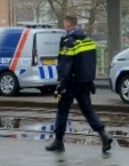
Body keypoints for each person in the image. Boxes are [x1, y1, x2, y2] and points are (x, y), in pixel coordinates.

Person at [46, 14, 113, 154]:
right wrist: (90, 80)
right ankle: (104, 134)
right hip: (85, 82)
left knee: (62, 110)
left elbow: (65, 66)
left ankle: (58, 141)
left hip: (71, 83)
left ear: (67, 23)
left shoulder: (68, 42)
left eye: (64, 22)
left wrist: (61, 85)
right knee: (88, 111)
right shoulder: (88, 41)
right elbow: (92, 62)